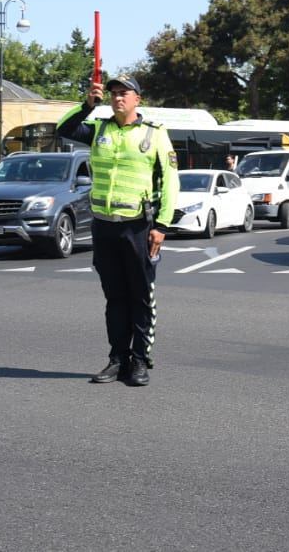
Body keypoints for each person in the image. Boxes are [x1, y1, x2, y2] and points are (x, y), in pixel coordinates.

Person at [56, 74, 179, 388]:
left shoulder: (155, 134)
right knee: (115, 298)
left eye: (124, 93)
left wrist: (161, 226)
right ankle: (117, 359)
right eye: (112, 93)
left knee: (140, 297)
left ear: (138, 98)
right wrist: (87, 105)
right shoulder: (99, 130)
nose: (117, 98)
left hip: (139, 227)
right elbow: (64, 129)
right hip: (105, 227)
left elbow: (170, 184)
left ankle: (140, 360)